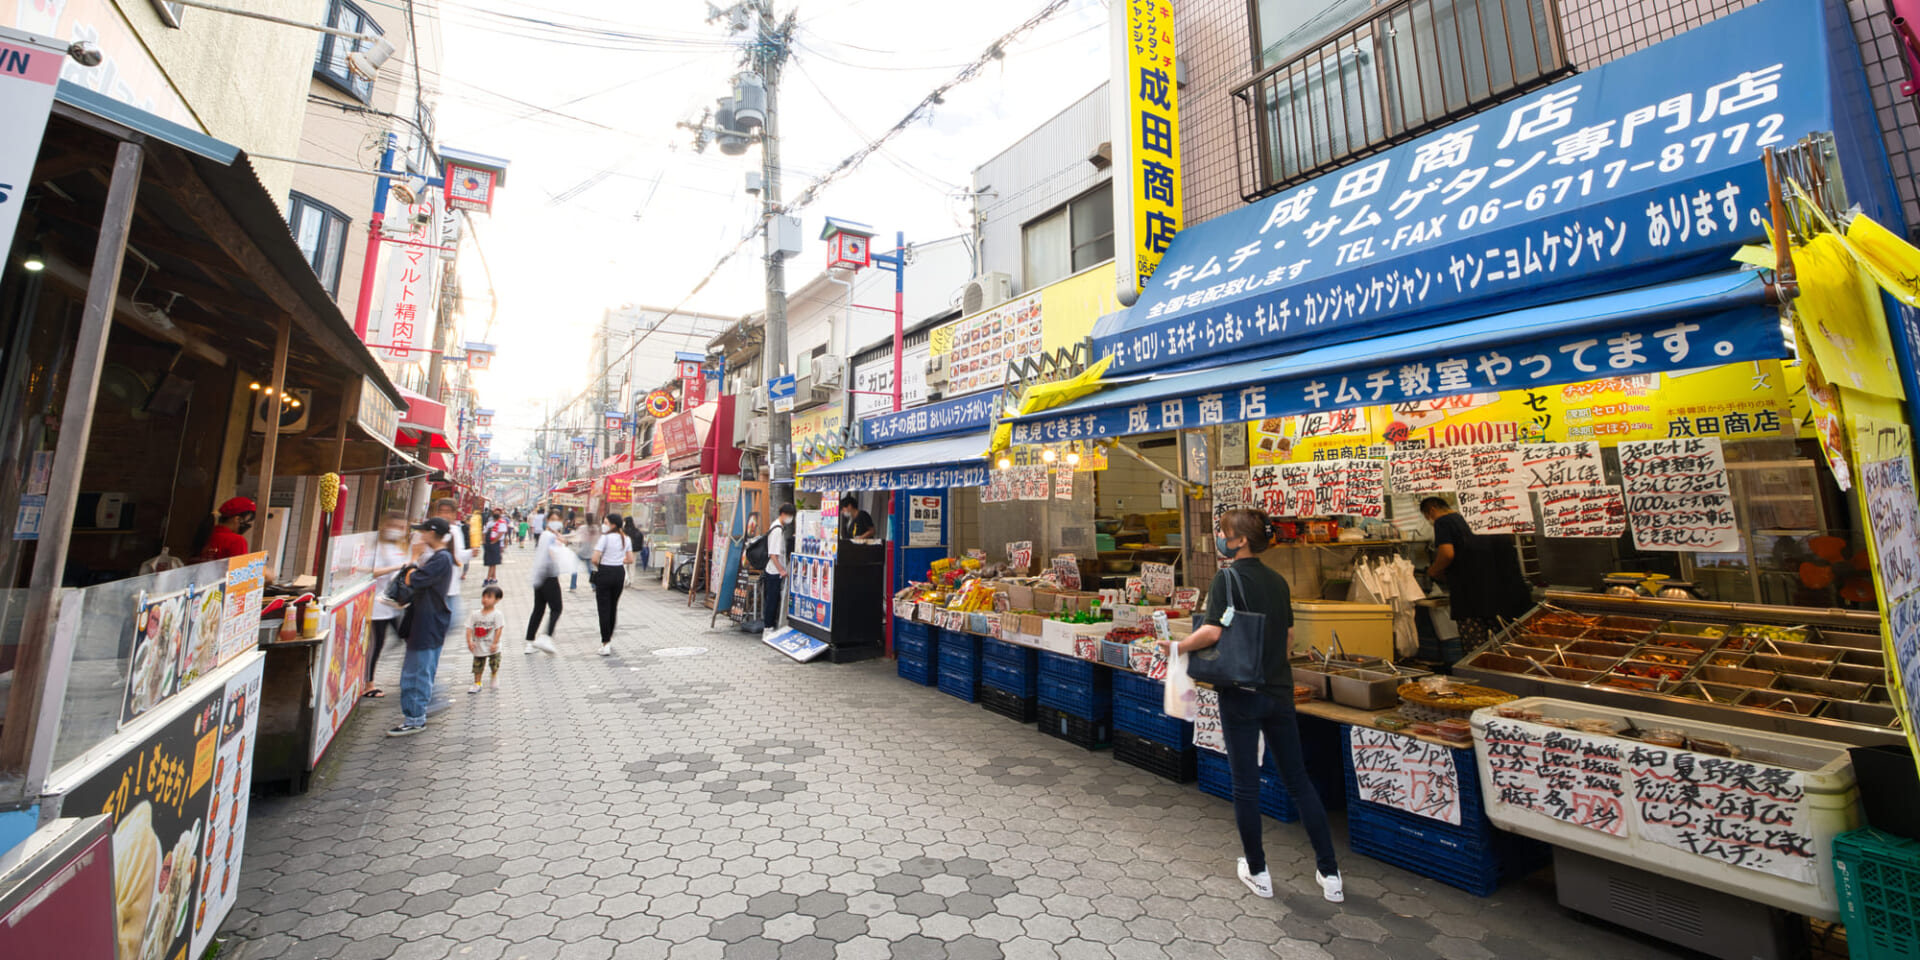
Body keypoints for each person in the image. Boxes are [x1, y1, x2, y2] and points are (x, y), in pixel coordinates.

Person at [1165, 507, 1342, 903]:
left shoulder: (1226, 578)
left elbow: (1212, 631)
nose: (1221, 538)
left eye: (1226, 532)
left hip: (1241, 694)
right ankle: (1330, 875)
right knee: (1298, 781)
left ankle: (1258, 871)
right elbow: (1288, 639)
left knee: (1246, 785)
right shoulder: (1278, 582)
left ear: (1241, 540)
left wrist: (1176, 646)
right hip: (1278, 691)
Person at [1421, 496, 1531, 648]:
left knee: (1476, 651)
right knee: (1508, 647)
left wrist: (1433, 571)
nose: (1430, 521)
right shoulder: (1481, 520)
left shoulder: (1444, 522)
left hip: (1471, 598)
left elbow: (1447, 554)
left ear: (1431, 510)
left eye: (1427, 517)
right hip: (1505, 596)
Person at [389, 517, 455, 737]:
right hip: (428, 621)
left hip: (426, 623)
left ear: (431, 533)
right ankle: (416, 716)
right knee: (420, 671)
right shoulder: (441, 557)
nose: (420, 536)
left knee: (416, 673)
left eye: (423, 532)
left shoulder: (441, 559)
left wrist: (414, 558)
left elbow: (411, 580)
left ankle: (415, 718)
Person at [364, 512, 412, 700]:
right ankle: (368, 685)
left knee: (407, 638)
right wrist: (397, 568)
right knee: (376, 645)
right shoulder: (376, 548)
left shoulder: (400, 548)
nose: (398, 530)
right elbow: (370, 571)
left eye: (401, 527)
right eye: (394, 526)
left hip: (395, 607)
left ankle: (406, 678)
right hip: (377, 606)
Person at [525, 515, 566, 654]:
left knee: (538, 609)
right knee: (557, 608)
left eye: (558, 519)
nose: (556, 522)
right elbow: (554, 554)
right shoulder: (550, 537)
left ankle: (529, 642)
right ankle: (546, 637)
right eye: (553, 519)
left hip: (539, 576)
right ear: (548, 521)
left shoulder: (544, 534)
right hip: (549, 577)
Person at [590, 512, 630, 655]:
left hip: (605, 571)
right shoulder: (626, 539)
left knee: (603, 608)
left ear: (613, 525)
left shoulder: (604, 538)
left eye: (606, 523)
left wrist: (603, 564)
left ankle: (605, 643)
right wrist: (618, 560)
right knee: (613, 606)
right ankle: (609, 639)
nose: (604, 525)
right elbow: (630, 559)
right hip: (619, 572)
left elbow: (595, 558)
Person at [430, 498, 471, 630]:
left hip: (451, 585)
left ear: (454, 514)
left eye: (447, 512)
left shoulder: (455, 531)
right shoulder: (429, 529)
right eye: (441, 511)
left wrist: (471, 553)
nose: (444, 515)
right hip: (432, 587)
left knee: (449, 625)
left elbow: (459, 557)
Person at [468, 585, 506, 692]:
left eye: (489, 597)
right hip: (479, 645)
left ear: (497, 600)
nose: (485, 599)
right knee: (477, 666)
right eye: (484, 597)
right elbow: (469, 628)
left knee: (494, 663)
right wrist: (469, 641)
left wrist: (495, 643)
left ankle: (494, 675)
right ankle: (477, 683)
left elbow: (499, 629)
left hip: (493, 646)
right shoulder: (475, 614)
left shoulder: (497, 614)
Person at [195, 497, 257, 561]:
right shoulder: (236, 541)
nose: (247, 524)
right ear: (237, 519)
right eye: (247, 520)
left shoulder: (206, 535)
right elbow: (240, 569)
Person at [765, 503, 792, 630]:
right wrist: (781, 570)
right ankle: (768, 627)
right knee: (772, 600)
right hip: (774, 571)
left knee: (773, 599)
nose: (790, 518)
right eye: (789, 515)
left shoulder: (778, 527)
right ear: (783, 514)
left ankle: (770, 625)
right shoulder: (776, 530)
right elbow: (773, 554)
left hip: (775, 571)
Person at [570, 512, 597, 591]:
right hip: (590, 552)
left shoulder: (583, 528)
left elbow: (576, 537)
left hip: (581, 551)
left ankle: (573, 586)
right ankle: (594, 585)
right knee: (590, 570)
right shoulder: (595, 528)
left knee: (574, 569)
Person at [482, 510, 509, 584]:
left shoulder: (502, 523)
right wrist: (484, 541)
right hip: (488, 544)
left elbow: (501, 533)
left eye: (498, 513)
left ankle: (487, 578)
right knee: (491, 561)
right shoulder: (489, 523)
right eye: (495, 512)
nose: (496, 514)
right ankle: (493, 578)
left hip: (496, 544)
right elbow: (484, 532)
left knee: (493, 562)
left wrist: (494, 542)